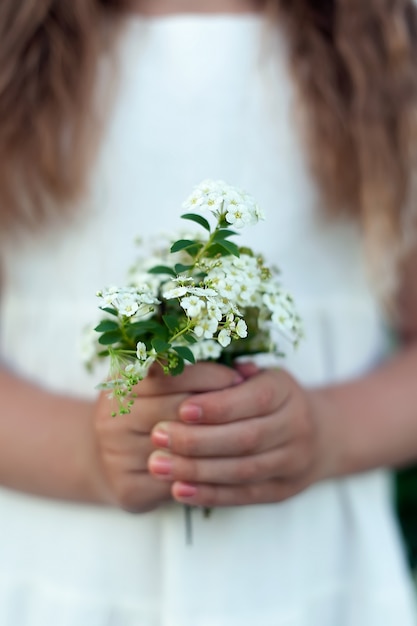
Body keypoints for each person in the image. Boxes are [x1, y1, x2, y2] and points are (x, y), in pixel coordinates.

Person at [0, 0, 416, 624]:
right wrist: (89, 454)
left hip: (310, 581)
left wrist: (328, 434)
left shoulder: (388, 44)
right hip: (59, 579)